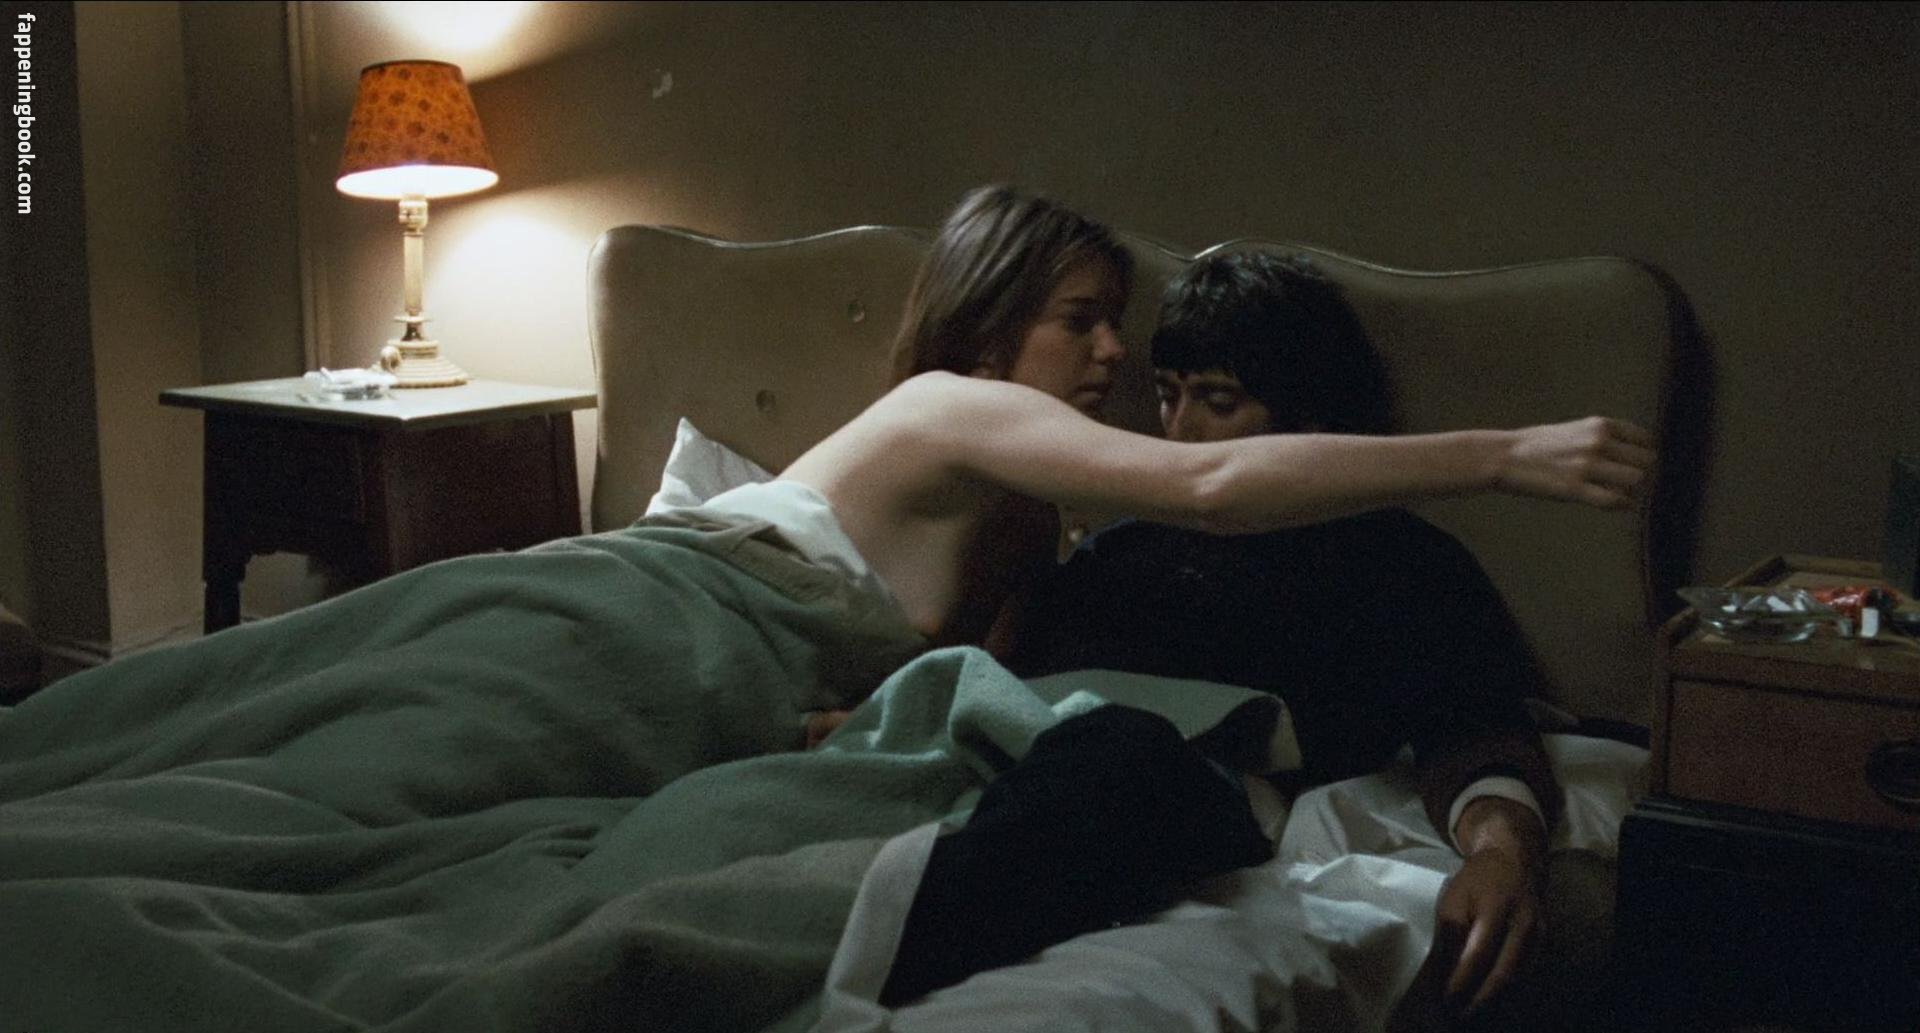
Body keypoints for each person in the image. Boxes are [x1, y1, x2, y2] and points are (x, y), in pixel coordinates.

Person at [1006, 248, 1568, 1020]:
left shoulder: (1398, 561)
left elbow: (1473, 724)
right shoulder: (1120, 555)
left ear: (1307, 418)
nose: (1180, 430)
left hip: (1199, 813)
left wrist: (1501, 855)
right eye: (1168, 396)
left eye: (1218, 402)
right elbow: (1024, 705)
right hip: (1062, 802)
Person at [780, 184, 1654, 660]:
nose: (1112, 350)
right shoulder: (948, 401)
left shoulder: (1025, 521)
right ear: (987, 324)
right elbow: (1210, 487)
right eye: (1080, 321)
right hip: (708, 622)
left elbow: (969, 690)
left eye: (1114, 321)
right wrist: (1504, 454)